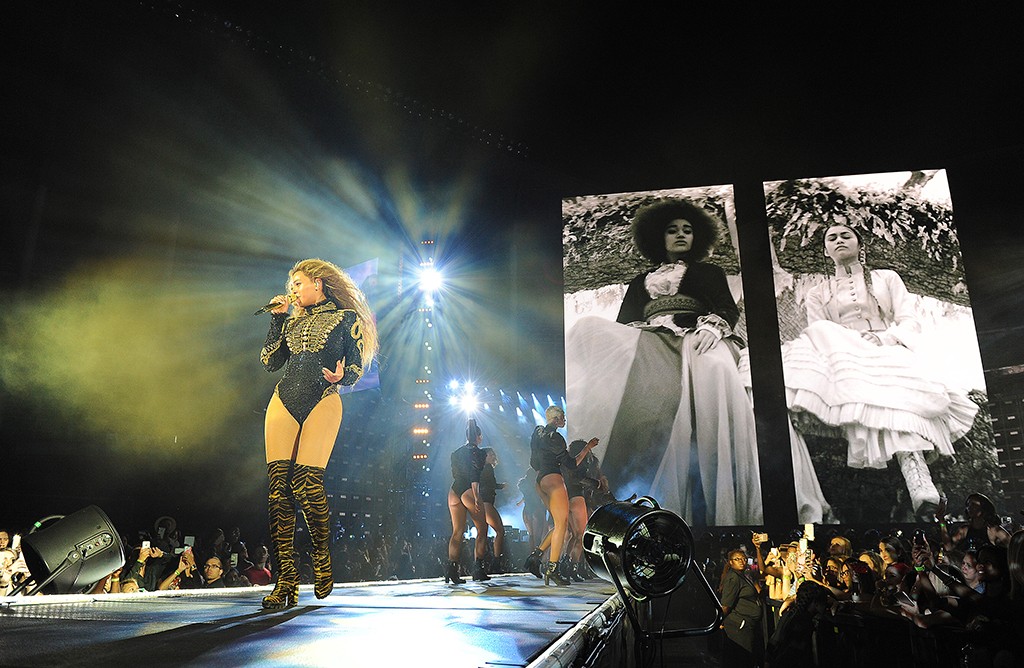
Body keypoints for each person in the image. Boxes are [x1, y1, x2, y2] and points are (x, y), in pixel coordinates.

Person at [566, 198, 762, 526]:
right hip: (650, 338)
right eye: (673, 230)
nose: (681, 234)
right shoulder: (640, 281)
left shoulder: (709, 272)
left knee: (714, 367)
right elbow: (624, 322)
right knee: (588, 328)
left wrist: (712, 327)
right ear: (660, 237)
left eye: (688, 230)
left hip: (697, 336)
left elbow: (727, 309)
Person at [781, 223, 978, 520]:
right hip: (843, 352)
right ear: (825, 250)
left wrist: (885, 338)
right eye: (832, 238)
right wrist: (847, 342)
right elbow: (817, 333)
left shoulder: (886, 278)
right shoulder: (817, 293)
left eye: (846, 235)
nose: (839, 240)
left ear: (860, 244)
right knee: (823, 335)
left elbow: (909, 320)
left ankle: (916, 473)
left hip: (886, 345)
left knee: (898, 390)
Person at [259, 258, 378, 608]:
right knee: (278, 490)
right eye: (291, 285)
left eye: (298, 283)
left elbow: (355, 365)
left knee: (306, 483)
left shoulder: (346, 318)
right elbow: (269, 362)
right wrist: (277, 319)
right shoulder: (291, 321)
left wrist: (344, 376)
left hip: (323, 397)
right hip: (284, 398)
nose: (293, 290)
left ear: (318, 283)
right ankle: (286, 580)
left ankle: (321, 556)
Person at [523, 406, 598, 586]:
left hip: (541, 481)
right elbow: (571, 464)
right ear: (555, 419)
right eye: (563, 417)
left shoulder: (537, 434)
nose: (565, 420)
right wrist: (587, 447)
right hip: (553, 480)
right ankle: (552, 569)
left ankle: (535, 557)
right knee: (562, 526)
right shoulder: (555, 438)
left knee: (559, 524)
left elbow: (533, 462)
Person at [446, 418, 489, 583]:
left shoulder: (456, 453)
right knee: (482, 529)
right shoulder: (480, 453)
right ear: (478, 436)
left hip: (454, 490)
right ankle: (478, 569)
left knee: (457, 531)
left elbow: (455, 473)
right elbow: (474, 475)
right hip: (468, 490)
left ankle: (452, 570)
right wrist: (476, 496)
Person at [719, 549, 765, 667]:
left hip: (746, 624)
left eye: (744, 559)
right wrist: (719, 621)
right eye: (737, 559)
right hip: (739, 625)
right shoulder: (733, 578)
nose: (741, 561)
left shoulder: (743, 576)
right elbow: (726, 604)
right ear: (731, 562)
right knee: (742, 658)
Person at [478, 447, 507, 573]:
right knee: (500, 531)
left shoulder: (480, 469)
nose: (493, 456)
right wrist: (502, 486)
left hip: (482, 502)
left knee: (482, 533)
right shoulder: (488, 468)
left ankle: (480, 565)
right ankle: (496, 562)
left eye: (493, 454)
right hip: (486, 502)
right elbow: (490, 485)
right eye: (490, 455)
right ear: (484, 457)